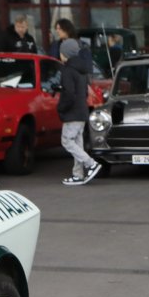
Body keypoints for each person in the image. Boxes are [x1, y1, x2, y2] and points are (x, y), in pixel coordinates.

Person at [56, 31, 100, 186]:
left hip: (72, 113)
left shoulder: (67, 70)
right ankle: (78, 174)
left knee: (67, 141)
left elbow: (68, 93)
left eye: (61, 52)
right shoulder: (82, 70)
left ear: (65, 54)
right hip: (82, 112)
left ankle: (91, 164)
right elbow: (83, 92)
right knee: (77, 143)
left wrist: (61, 108)